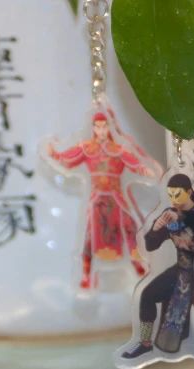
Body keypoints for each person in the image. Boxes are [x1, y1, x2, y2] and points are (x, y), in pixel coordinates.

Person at [120, 173, 194, 362]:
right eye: (171, 195)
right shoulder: (170, 215)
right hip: (182, 271)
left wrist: (181, 220)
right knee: (147, 295)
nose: (174, 200)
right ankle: (145, 342)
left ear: (189, 192)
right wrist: (157, 227)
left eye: (178, 195)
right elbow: (150, 245)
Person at [47, 111, 158, 290]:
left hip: (116, 196)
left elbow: (134, 164)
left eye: (104, 126)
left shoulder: (118, 149)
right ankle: (86, 275)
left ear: (110, 127)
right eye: (97, 127)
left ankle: (139, 266)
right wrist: (53, 153)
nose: (101, 130)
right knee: (90, 234)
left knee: (129, 228)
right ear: (93, 128)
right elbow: (67, 160)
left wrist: (147, 171)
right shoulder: (87, 148)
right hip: (97, 197)